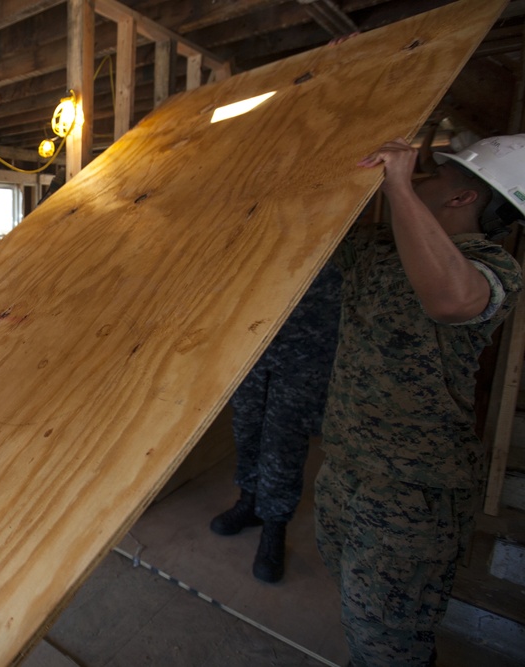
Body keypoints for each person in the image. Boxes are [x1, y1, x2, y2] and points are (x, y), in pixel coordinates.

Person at [315, 134, 525, 666]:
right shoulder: (376, 246)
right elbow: (322, 182)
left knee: (389, 643)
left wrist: (401, 187)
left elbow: (451, 300)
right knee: (361, 618)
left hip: (414, 494)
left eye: (434, 173)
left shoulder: (491, 264)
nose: (421, 173)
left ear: (462, 200)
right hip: (346, 469)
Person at [210, 261, 341, 583]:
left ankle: (274, 527)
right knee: (246, 429)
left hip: (306, 347)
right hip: (252, 340)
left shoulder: (334, 226)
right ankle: (250, 503)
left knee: (283, 443)